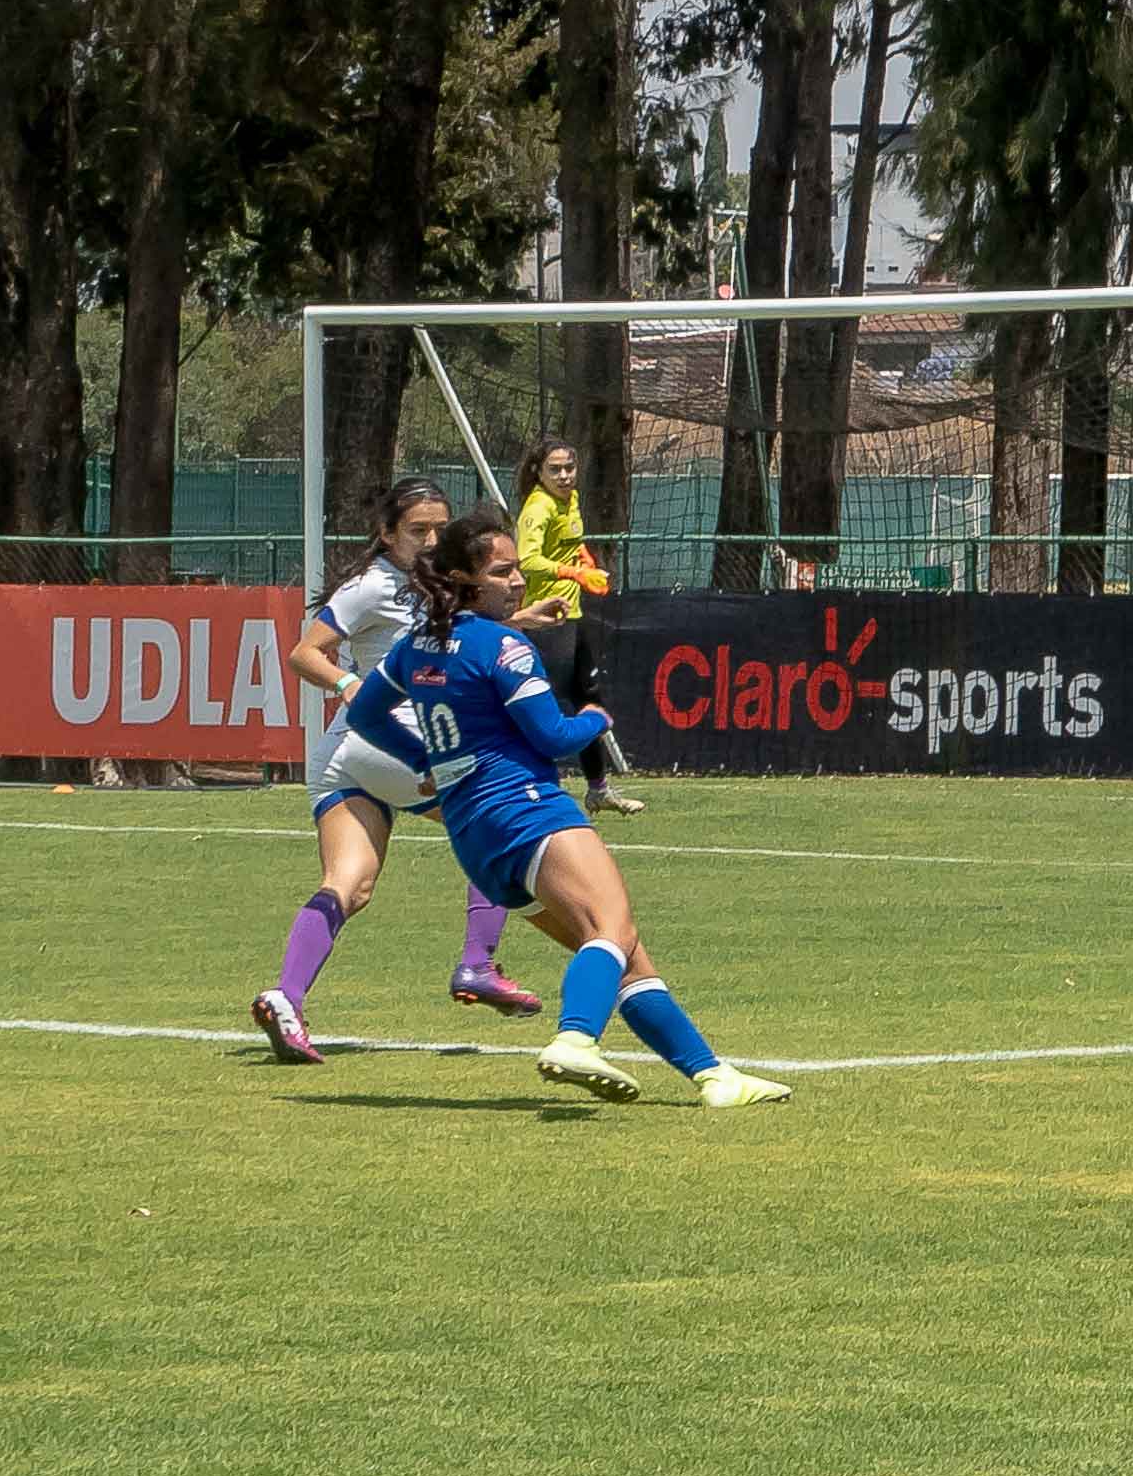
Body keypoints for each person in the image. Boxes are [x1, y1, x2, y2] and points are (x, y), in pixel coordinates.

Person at [345, 510, 790, 1108]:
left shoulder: (415, 647)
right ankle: (577, 1038)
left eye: (517, 569)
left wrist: (426, 762)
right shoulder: (503, 645)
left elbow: (365, 716)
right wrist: (594, 719)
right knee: (614, 927)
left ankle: (713, 1076)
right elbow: (553, 736)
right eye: (503, 573)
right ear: (464, 579)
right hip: (526, 810)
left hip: (474, 835)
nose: (518, 582)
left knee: (620, 953)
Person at [251, 478, 554, 1064]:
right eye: (418, 530)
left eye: (440, 528)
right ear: (387, 533)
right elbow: (303, 652)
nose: (432, 538)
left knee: (351, 883)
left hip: (346, 757)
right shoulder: (371, 586)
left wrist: (523, 624)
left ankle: (285, 997)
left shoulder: (436, 587)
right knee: (495, 823)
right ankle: (477, 964)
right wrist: (350, 683)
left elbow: (447, 647)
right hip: (379, 743)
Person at [513, 438, 641, 816]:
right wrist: (574, 573)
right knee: (545, 706)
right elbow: (528, 560)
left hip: (571, 614)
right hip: (544, 618)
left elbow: (572, 543)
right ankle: (526, 785)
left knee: (589, 697)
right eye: (555, 469)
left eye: (569, 468)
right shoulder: (537, 508)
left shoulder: (570, 501)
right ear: (538, 472)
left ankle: (598, 788)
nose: (565, 475)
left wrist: (585, 562)